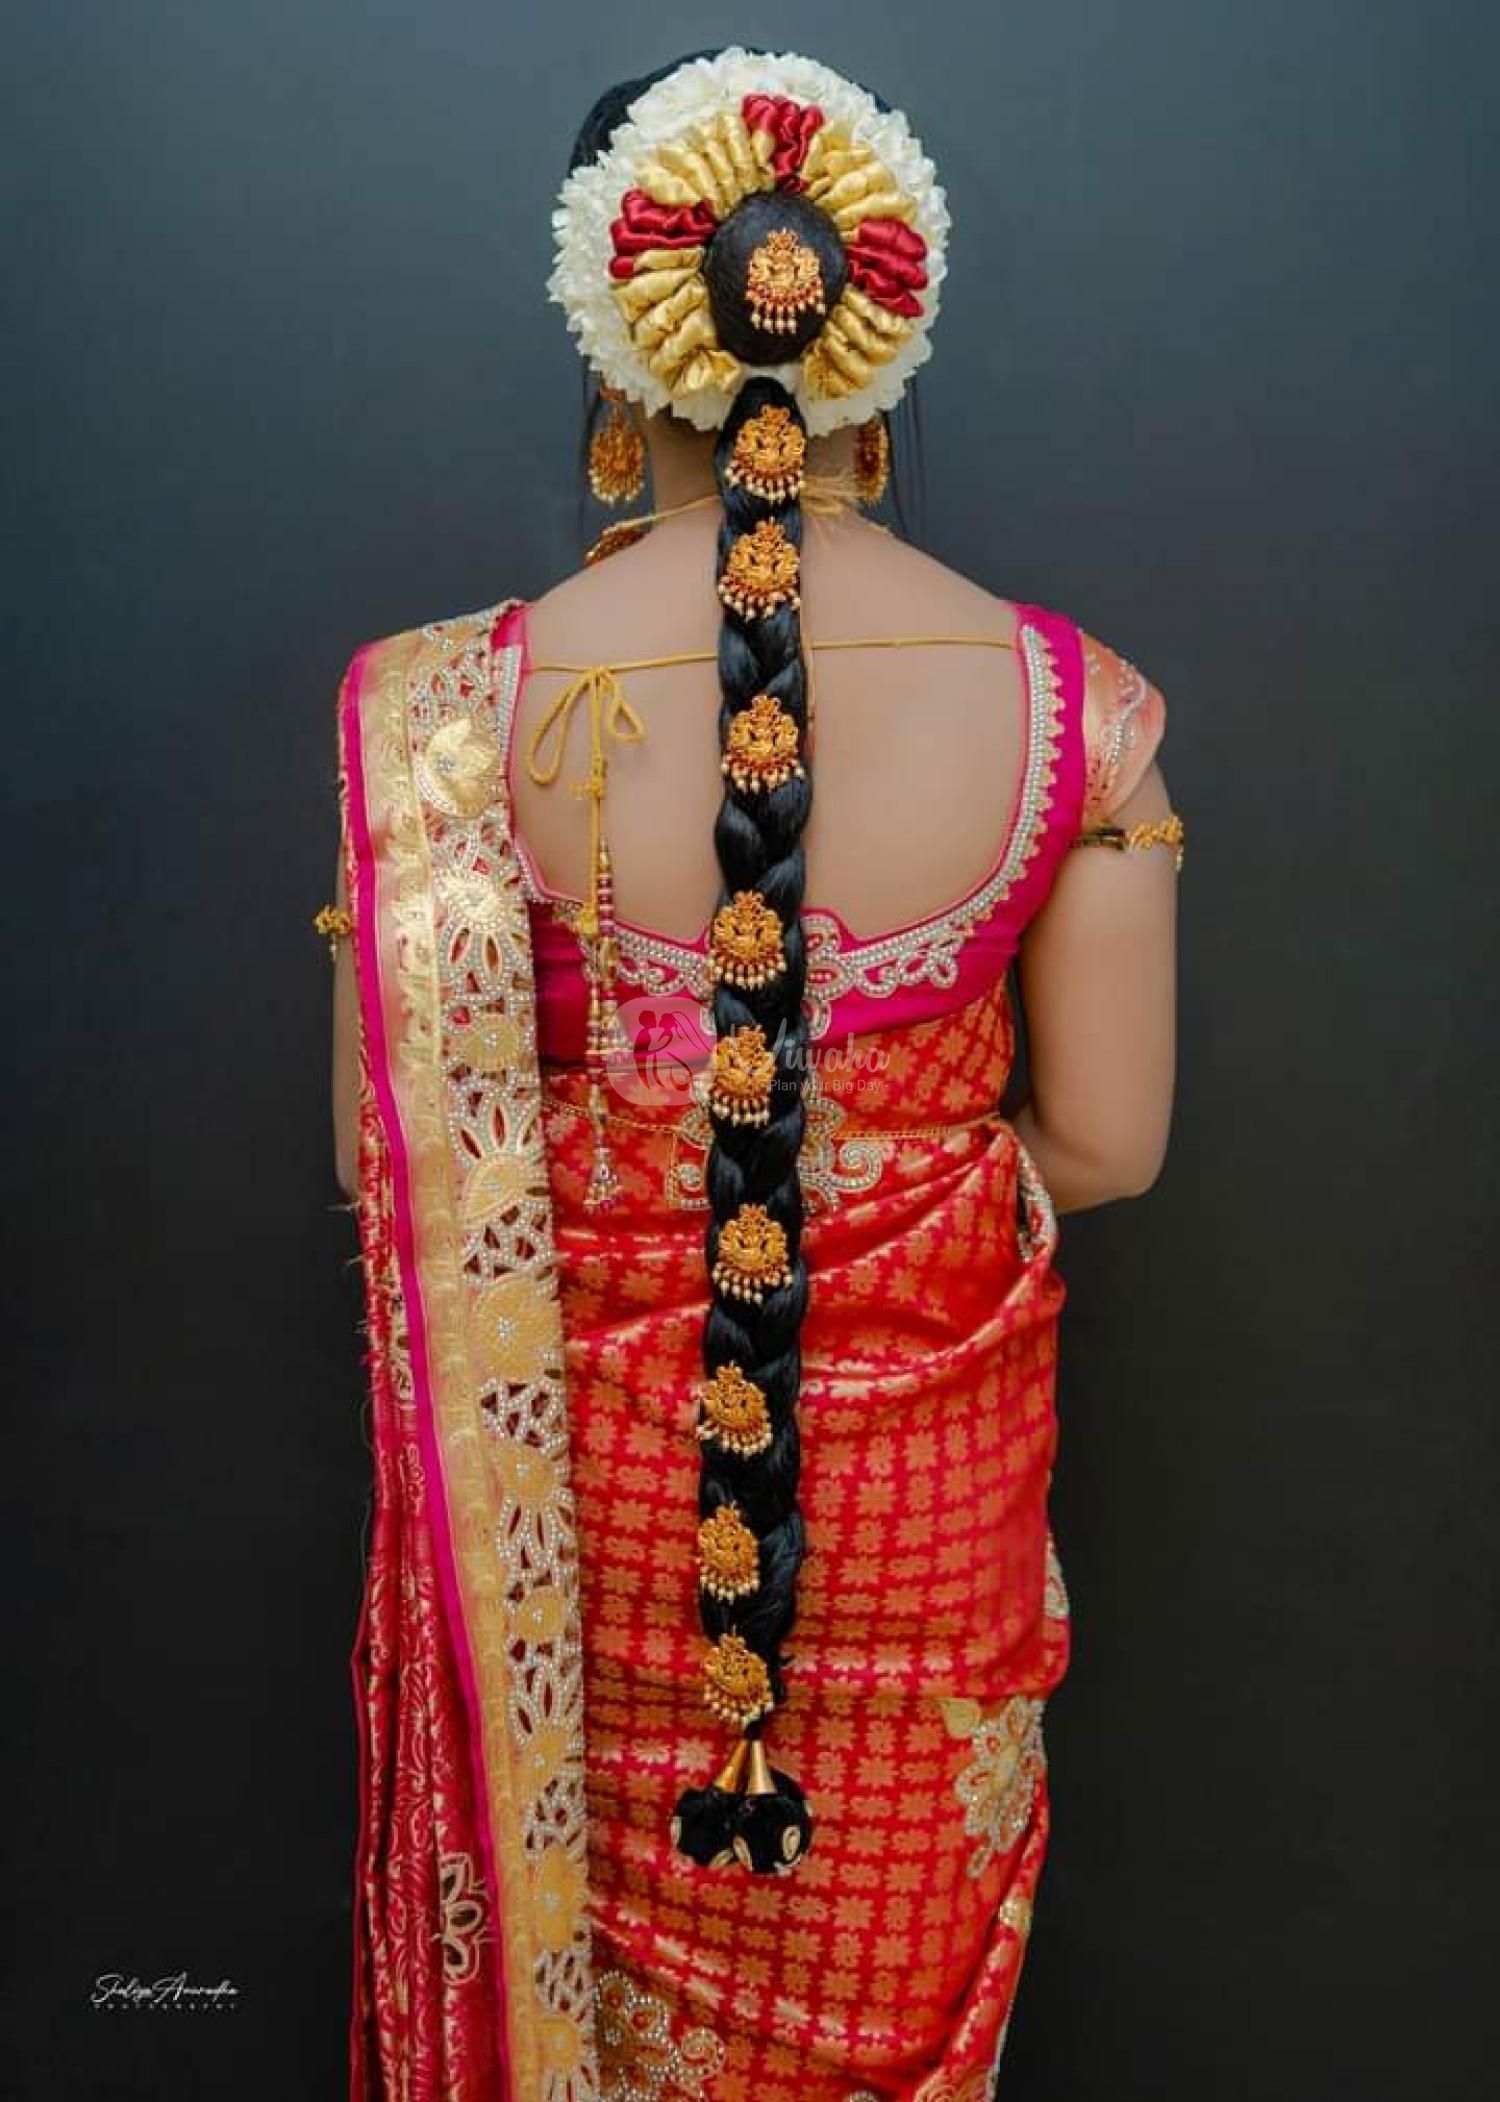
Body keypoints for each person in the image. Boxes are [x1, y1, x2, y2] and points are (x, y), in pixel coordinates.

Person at [318, 44, 1181, 2102]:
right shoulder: (1076, 709)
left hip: (579, 1553)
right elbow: (1104, 1140)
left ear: (615, 352)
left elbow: (381, 1160)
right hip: (913, 1541)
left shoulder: (444, 717)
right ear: (879, 339)